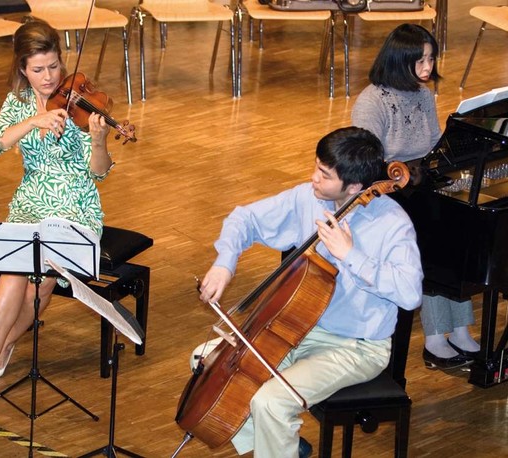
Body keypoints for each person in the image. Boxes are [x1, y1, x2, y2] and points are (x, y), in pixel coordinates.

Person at [195, 127, 423, 458]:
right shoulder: (309, 198)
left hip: (356, 346)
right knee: (205, 361)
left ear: (355, 186)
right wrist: (224, 264)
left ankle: (276, 440)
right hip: (297, 329)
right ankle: (282, 446)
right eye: (316, 166)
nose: (312, 177)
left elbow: (410, 293)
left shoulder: (393, 225)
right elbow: (244, 219)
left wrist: (351, 255)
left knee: (270, 402)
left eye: (324, 174)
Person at [0, 19, 114, 409]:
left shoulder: (83, 100)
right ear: (23, 68)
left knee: (42, 288)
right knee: (15, 269)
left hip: (77, 204)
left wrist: (99, 140)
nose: (49, 77)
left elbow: (98, 171)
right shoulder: (17, 103)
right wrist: (32, 120)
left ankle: (4, 346)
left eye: (53, 66)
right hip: (31, 200)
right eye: (38, 69)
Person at [351, 23, 480, 370]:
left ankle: (460, 328)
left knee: (458, 231)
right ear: (398, 60)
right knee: (432, 245)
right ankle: (436, 336)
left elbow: (435, 142)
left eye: (431, 59)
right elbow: (367, 162)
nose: (427, 68)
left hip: (420, 184)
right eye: (419, 61)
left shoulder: (423, 95)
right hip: (388, 196)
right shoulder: (372, 100)